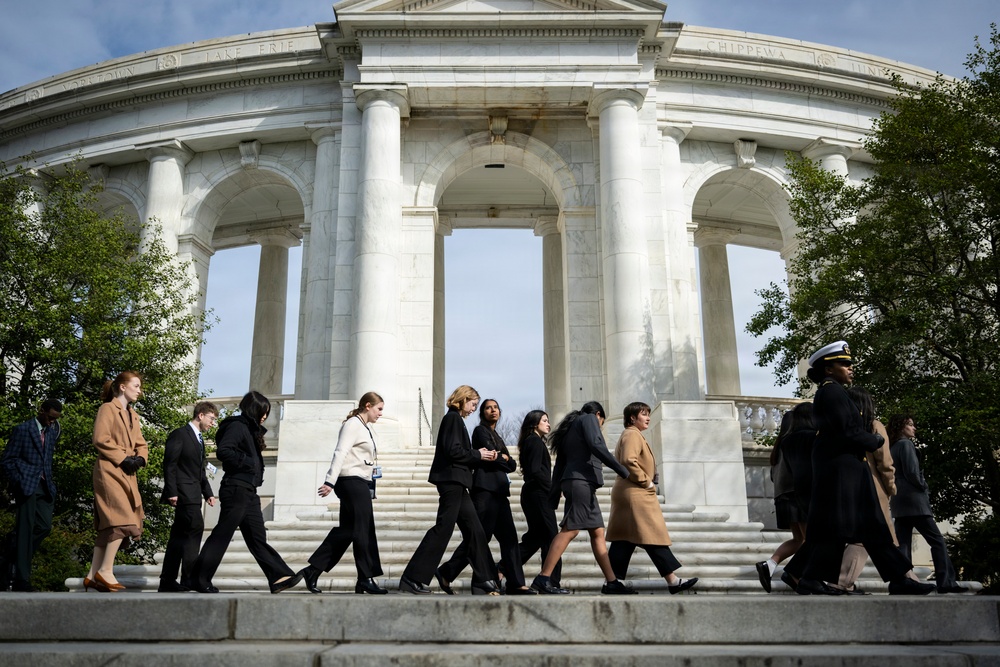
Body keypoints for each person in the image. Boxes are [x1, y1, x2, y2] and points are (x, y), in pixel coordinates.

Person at [785, 341, 934, 596]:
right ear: (828, 369)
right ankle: (808, 576)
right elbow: (847, 431)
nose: (851, 368)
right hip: (842, 472)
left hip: (849, 470)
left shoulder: (835, 392)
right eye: (844, 364)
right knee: (843, 527)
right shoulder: (831, 392)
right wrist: (875, 440)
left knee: (871, 527)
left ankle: (899, 578)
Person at [191, 391, 302, 594]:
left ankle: (278, 576)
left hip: (248, 491)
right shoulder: (237, 426)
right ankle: (199, 579)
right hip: (236, 489)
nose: (265, 416)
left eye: (267, 413)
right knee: (222, 534)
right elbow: (224, 451)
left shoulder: (250, 430)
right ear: (254, 409)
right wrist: (249, 463)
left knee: (257, 537)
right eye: (262, 412)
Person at [399, 385, 500, 595]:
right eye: (473, 404)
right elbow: (453, 450)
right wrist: (477, 454)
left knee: (475, 531)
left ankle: (484, 580)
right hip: (452, 481)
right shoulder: (453, 418)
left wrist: (475, 454)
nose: (474, 409)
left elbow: (456, 450)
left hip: (458, 482)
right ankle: (412, 578)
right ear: (463, 399)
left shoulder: (455, 419)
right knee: (444, 528)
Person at [530, 400, 631, 595]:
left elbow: (560, 464)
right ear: (599, 415)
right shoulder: (589, 418)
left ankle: (612, 582)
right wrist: (622, 470)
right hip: (580, 482)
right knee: (570, 530)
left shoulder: (570, 429)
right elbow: (596, 444)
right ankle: (543, 578)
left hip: (579, 483)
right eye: (601, 423)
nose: (599, 427)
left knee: (597, 532)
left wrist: (554, 493)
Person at [437, 399, 536, 595]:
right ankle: (455, 574)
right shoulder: (480, 431)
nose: (493, 410)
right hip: (484, 491)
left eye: (496, 407)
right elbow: (493, 457)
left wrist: (502, 458)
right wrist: (502, 457)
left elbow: (511, 465)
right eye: (488, 408)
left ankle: (516, 583)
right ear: (482, 413)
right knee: (479, 537)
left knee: (509, 539)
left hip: (500, 492)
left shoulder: (497, 435)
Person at [297, 391, 387, 595]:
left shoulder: (365, 427)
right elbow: (340, 452)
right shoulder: (353, 424)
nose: (381, 413)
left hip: (360, 482)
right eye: (379, 409)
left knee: (349, 530)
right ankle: (365, 578)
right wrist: (330, 480)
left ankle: (313, 570)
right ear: (367, 406)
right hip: (350, 481)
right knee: (363, 529)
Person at [606, 401, 697, 594]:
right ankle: (673, 581)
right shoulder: (632, 434)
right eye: (643, 414)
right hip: (635, 493)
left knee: (624, 540)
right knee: (651, 534)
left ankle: (612, 582)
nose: (648, 418)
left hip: (631, 492)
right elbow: (628, 461)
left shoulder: (633, 434)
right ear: (632, 418)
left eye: (648, 414)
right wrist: (646, 481)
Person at [887, 414, 967, 594]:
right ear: (901, 427)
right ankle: (946, 582)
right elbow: (912, 472)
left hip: (899, 499)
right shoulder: (906, 445)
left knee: (903, 543)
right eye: (910, 425)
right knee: (937, 540)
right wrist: (923, 485)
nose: (914, 428)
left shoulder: (893, 447)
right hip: (914, 499)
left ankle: (902, 581)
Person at [84, 371, 148, 592]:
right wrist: (123, 458)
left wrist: (140, 459)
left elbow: (141, 443)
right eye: (136, 386)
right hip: (109, 470)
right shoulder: (107, 409)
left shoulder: (133, 415)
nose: (139, 391)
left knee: (109, 525)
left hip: (127, 473)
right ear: (122, 387)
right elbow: (100, 439)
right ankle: (105, 570)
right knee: (121, 518)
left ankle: (92, 576)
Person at [832, 387, 898, 595]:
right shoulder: (874, 426)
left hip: (848, 486)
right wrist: (891, 487)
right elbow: (885, 462)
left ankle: (906, 578)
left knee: (869, 537)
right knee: (874, 537)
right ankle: (843, 581)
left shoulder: (843, 427)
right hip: (873, 486)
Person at [0, 399, 62, 591]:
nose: (52, 422)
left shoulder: (51, 432)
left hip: (45, 486)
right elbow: (7, 460)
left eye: (55, 419)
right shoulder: (22, 430)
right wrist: (18, 480)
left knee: (44, 527)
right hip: (26, 485)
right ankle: (22, 580)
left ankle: (7, 555)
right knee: (25, 530)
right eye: (50, 417)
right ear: (41, 411)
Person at [157, 401, 218, 592]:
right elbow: (170, 464)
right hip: (183, 493)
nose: (213, 423)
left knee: (179, 537)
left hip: (194, 493)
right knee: (194, 528)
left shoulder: (199, 439)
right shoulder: (179, 434)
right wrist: (172, 491)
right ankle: (189, 579)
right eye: (211, 419)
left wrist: (208, 493)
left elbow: (200, 470)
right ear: (201, 415)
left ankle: (167, 581)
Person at [756, 403, 813, 592]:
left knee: (799, 539)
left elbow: (774, 476)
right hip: (796, 496)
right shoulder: (797, 442)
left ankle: (770, 564)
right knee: (811, 540)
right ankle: (796, 574)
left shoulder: (779, 447)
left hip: (782, 498)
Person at [514, 410, 562, 588]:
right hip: (538, 494)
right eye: (544, 420)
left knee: (536, 538)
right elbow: (535, 471)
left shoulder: (532, 441)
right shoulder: (534, 441)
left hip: (535, 493)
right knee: (551, 539)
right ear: (535, 423)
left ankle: (502, 568)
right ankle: (550, 582)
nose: (548, 424)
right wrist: (552, 488)